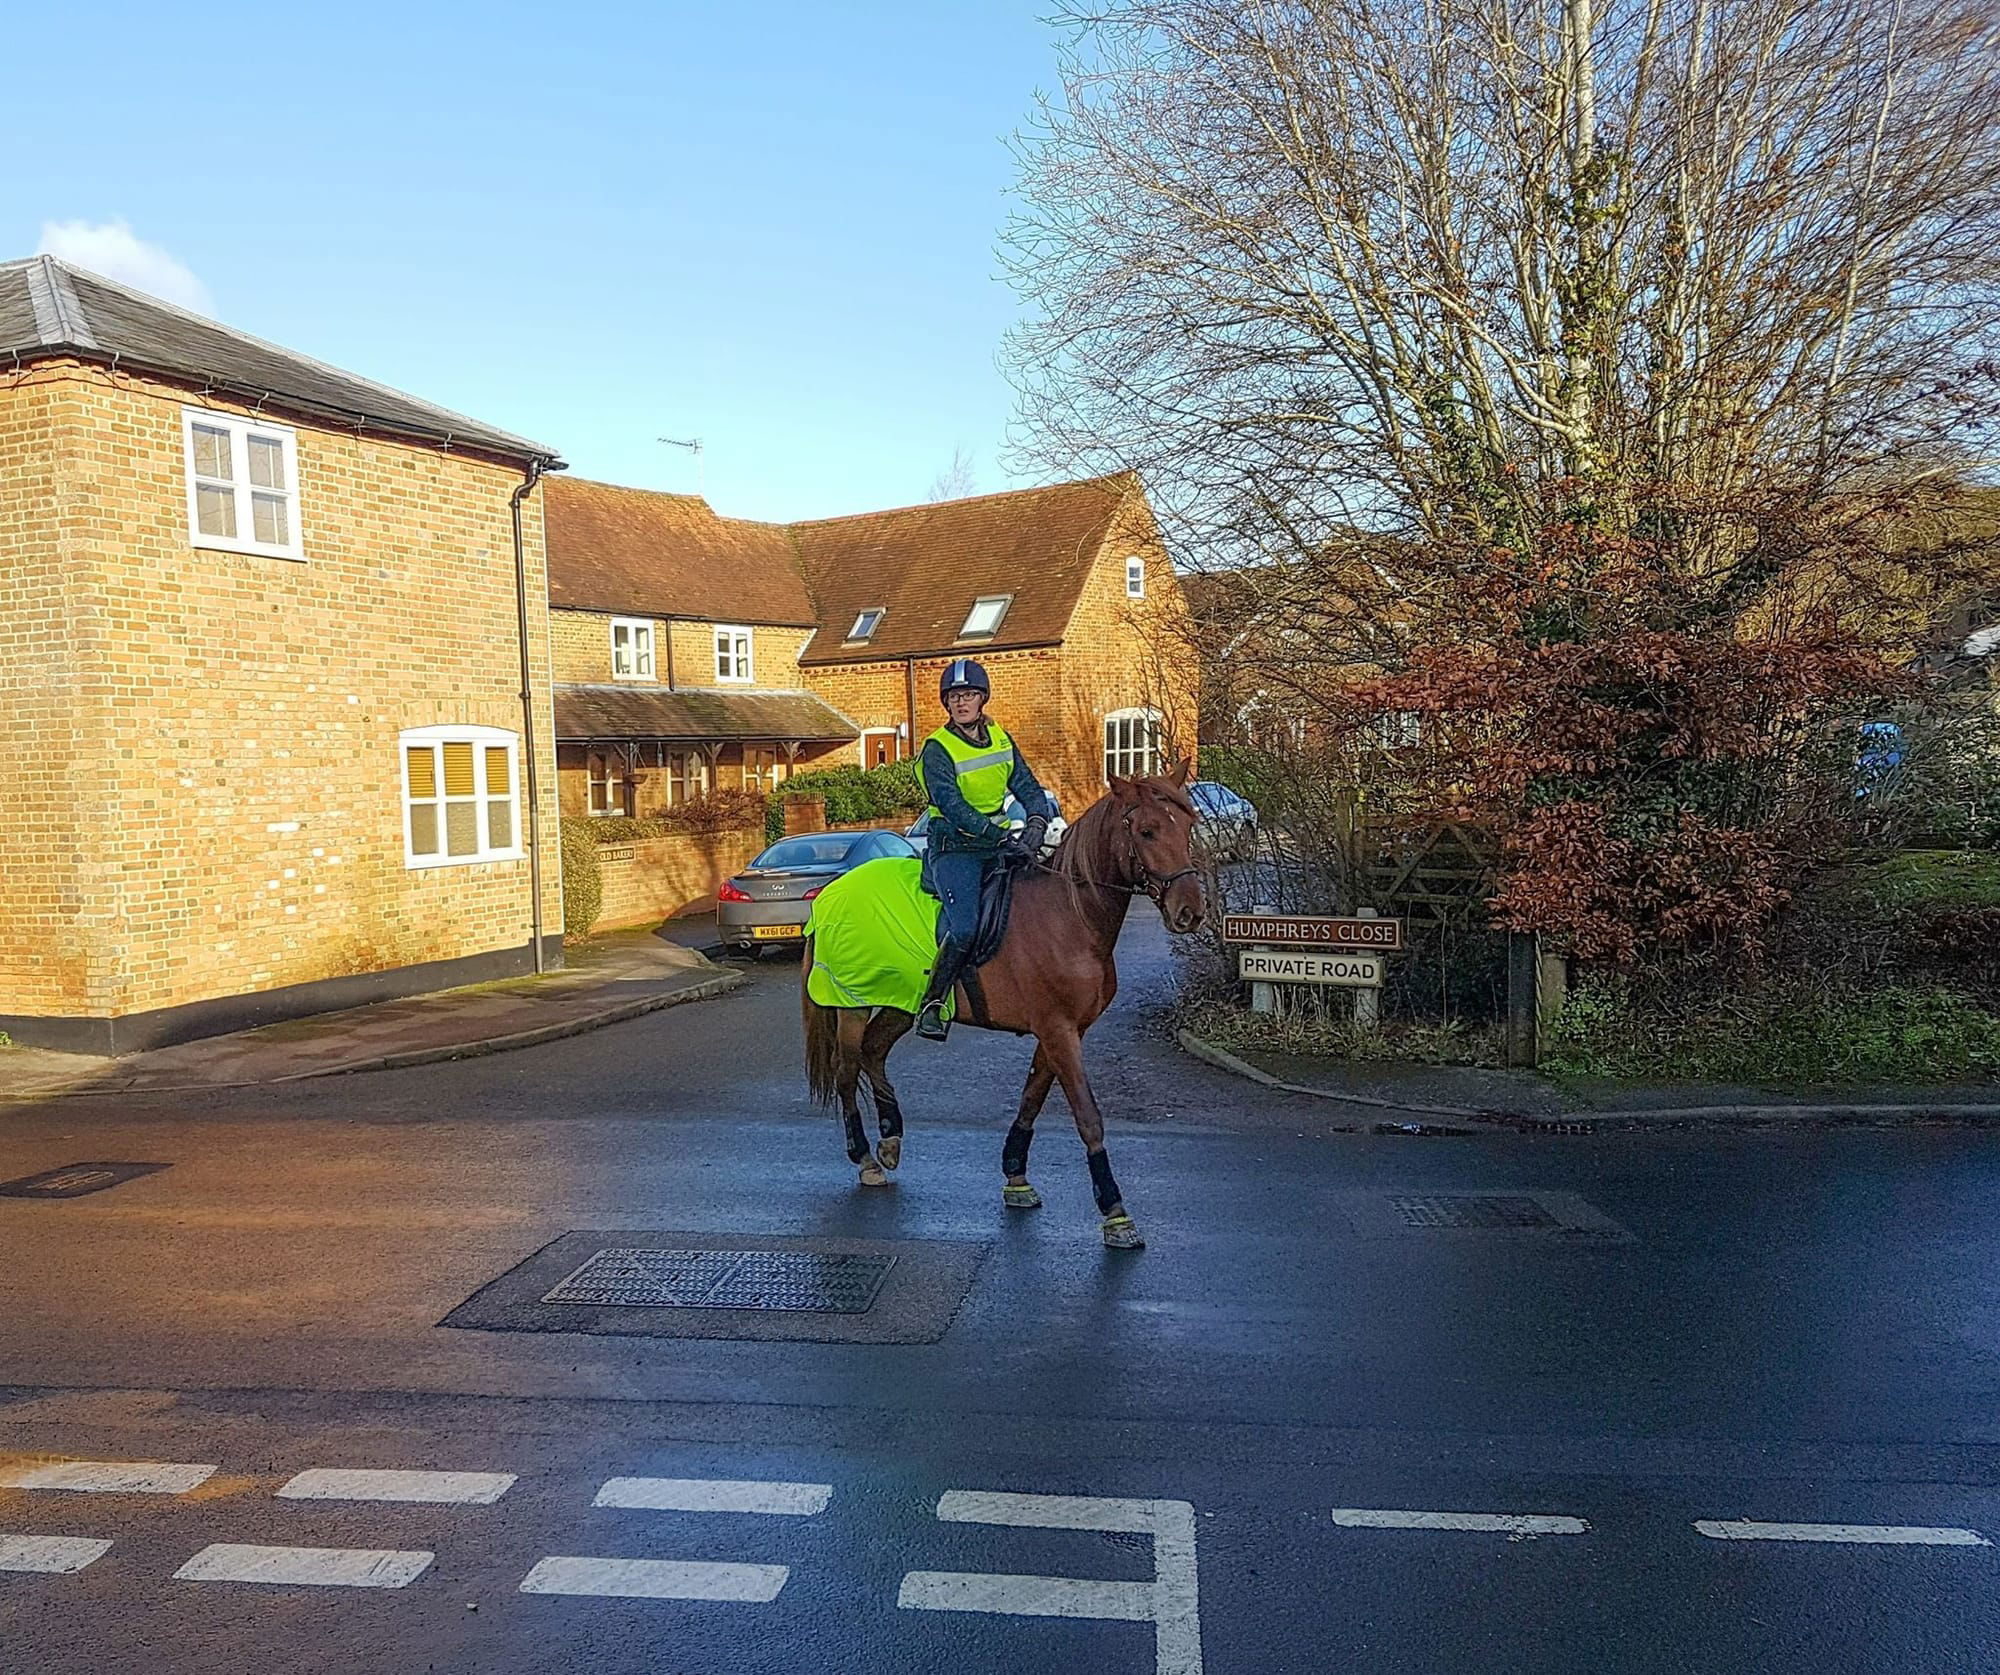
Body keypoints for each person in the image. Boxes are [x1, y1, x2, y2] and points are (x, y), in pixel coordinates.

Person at [913, 659, 1055, 1041]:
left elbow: (1027, 787)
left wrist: (1037, 824)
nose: (962, 703)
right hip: (956, 849)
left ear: (982, 700)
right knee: (964, 928)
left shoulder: (1003, 740)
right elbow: (953, 806)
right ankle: (933, 1002)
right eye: (955, 697)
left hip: (997, 846)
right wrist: (1000, 835)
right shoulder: (937, 749)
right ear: (947, 703)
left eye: (969, 695)